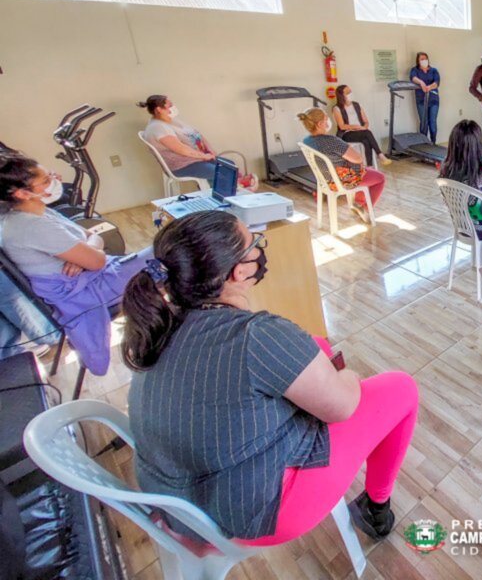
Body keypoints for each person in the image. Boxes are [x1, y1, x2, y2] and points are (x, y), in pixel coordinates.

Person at [122, 210, 418, 544]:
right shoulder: (256, 335)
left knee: (315, 345)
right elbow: (343, 408)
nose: (260, 252)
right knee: (400, 389)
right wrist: (348, 375)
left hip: (178, 506)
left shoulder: (158, 326)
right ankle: (376, 507)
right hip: (246, 512)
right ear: (238, 271)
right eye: (255, 244)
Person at [0, 152, 151, 375]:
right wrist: (88, 253)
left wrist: (83, 256)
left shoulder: (35, 213)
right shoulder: (33, 227)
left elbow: (92, 236)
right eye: (45, 180)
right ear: (23, 193)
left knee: (162, 255)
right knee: (169, 256)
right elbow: (97, 259)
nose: (56, 179)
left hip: (89, 273)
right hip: (83, 289)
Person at [297, 108, 385, 222]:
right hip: (343, 181)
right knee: (380, 178)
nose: (328, 121)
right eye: (326, 119)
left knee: (368, 171)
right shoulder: (331, 141)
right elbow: (358, 159)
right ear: (320, 124)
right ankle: (365, 208)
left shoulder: (306, 141)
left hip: (326, 180)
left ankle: (357, 204)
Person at [331, 84, 390, 168]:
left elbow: (366, 121)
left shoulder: (357, 105)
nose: (350, 93)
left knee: (366, 140)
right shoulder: (336, 108)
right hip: (346, 134)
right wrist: (357, 127)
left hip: (361, 132)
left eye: (350, 91)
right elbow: (342, 126)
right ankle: (380, 155)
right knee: (367, 133)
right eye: (347, 92)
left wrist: (364, 127)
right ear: (341, 95)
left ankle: (369, 166)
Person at [409, 52, 441, 144]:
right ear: (418, 61)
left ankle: (433, 143)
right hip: (421, 100)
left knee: (433, 122)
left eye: (425, 58)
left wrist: (429, 87)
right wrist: (421, 83)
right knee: (424, 122)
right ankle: (424, 144)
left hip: (433, 100)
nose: (424, 60)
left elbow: (437, 82)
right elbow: (413, 78)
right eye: (421, 59)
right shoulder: (415, 70)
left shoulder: (434, 70)